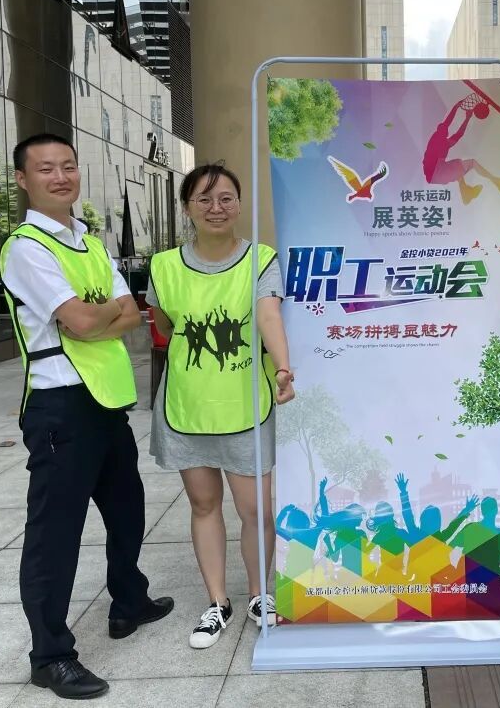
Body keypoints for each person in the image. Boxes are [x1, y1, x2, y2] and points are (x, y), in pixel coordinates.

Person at [0, 133, 172, 700]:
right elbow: (79, 320)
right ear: (23, 179)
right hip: (59, 405)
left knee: (127, 510)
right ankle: (50, 655)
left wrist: (96, 317)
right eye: (45, 168)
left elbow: (132, 314)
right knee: (56, 532)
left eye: (68, 166)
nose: (60, 177)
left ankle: (128, 601)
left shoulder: (90, 243)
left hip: (106, 401)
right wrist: (99, 315)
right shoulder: (27, 247)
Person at [146, 163, 295, 650]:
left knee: (256, 510)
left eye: (226, 198)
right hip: (187, 405)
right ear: (187, 207)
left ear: (239, 204)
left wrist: (283, 366)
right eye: (204, 199)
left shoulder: (261, 259)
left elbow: (269, 315)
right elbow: (164, 326)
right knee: (204, 504)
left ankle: (258, 595)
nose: (216, 208)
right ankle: (217, 602)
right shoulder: (163, 265)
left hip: (245, 406)